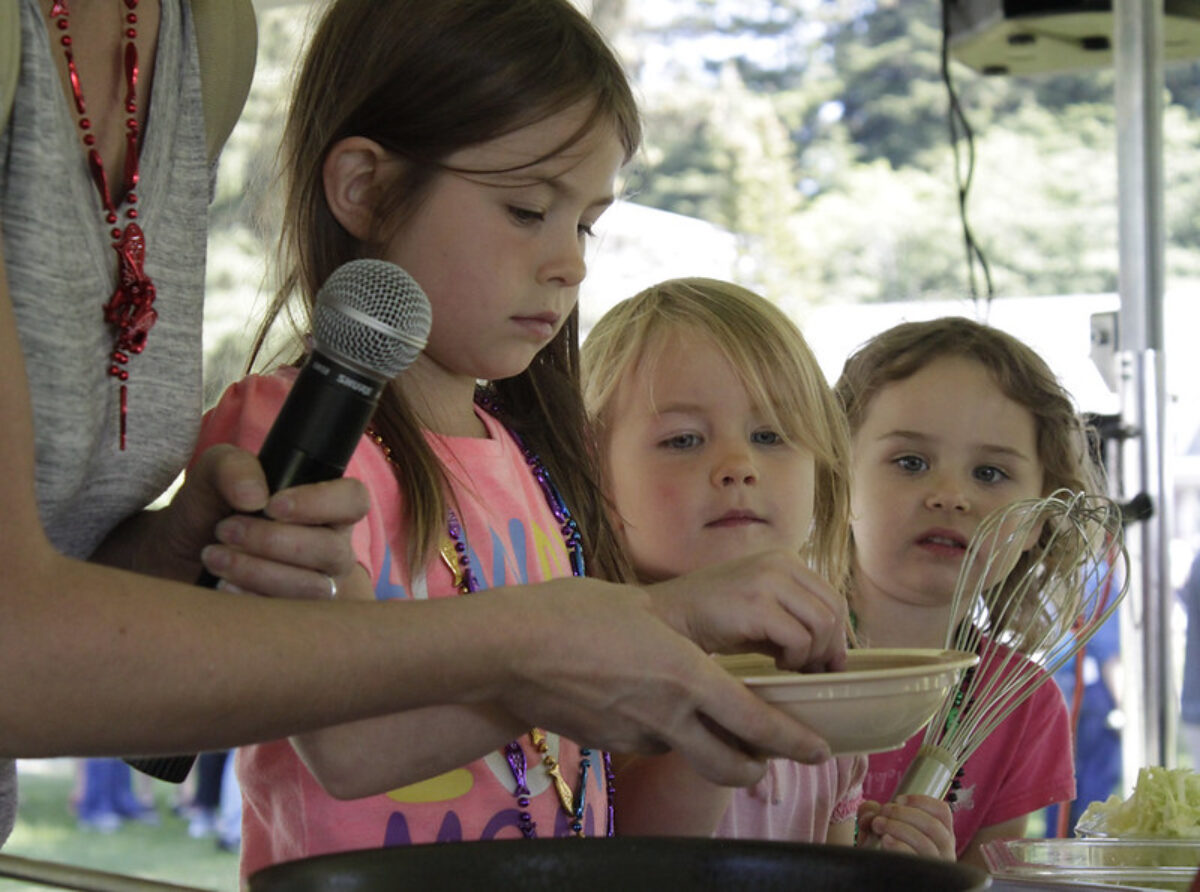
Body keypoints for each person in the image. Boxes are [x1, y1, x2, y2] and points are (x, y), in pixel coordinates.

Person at [0, 0, 842, 850]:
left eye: (585, 223)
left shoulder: (523, 451)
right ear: (364, 188)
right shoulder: (294, 431)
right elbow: (352, 746)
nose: (571, 262)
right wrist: (660, 622)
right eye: (526, 211)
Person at [579, 277, 955, 859]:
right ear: (590, 471)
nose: (738, 465)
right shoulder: (596, 663)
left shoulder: (828, 674)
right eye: (683, 440)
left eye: (769, 435)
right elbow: (641, 861)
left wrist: (885, 872)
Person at [833, 316, 1103, 867]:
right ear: (835, 480)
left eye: (989, 473)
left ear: (1038, 521)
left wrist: (940, 877)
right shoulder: (776, 669)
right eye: (911, 463)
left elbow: (988, 875)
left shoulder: (1022, 707)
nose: (951, 495)